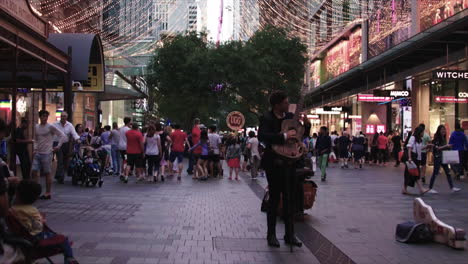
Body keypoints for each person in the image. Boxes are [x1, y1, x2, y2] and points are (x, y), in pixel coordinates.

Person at [258, 90, 302, 248]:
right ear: (277, 104)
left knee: (290, 198)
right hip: (274, 162)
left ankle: (290, 234)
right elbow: (262, 136)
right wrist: (283, 136)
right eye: (285, 102)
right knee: (274, 198)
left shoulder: (290, 118)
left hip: (290, 162)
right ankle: (271, 234)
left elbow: (299, 133)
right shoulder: (266, 118)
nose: (287, 105)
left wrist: (301, 128)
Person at [11, 180, 78, 264]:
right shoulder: (32, 211)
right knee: (64, 240)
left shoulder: (12, 210)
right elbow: (37, 227)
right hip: (36, 238)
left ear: (17, 195)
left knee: (55, 236)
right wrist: (41, 220)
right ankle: (69, 259)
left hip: (23, 238)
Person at [32, 110, 66, 199]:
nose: (45, 118)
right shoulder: (37, 127)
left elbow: (62, 135)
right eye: (43, 116)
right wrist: (35, 149)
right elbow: (35, 139)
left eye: (46, 116)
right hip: (38, 152)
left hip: (47, 153)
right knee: (34, 171)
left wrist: (58, 146)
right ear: (40, 117)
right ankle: (36, 191)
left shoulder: (50, 127)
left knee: (47, 173)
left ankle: (48, 192)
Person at [428, 125, 461, 194]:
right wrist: (446, 146)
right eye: (442, 129)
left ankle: (452, 187)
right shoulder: (437, 138)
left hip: (443, 157)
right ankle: (430, 188)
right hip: (438, 157)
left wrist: (448, 147)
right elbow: (437, 148)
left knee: (448, 172)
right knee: (435, 173)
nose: (444, 131)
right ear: (439, 130)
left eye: (444, 129)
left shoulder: (444, 138)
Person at [53, 112, 79, 184]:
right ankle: (61, 177)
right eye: (62, 116)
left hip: (66, 144)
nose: (63, 117)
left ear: (66, 117)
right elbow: (50, 132)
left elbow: (74, 134)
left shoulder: (69, 125)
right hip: (57, 143)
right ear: (60, 117)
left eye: (64, 116)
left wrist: (78, 139)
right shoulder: (55, 124)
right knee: (60, 160)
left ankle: (58, 175)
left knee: (65, 161)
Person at [403, 126, 429, 195]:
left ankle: (404, 189)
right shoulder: (413, 138)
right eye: (423, 131)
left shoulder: (419, 139)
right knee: (416, 174)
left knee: (410, 174)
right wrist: (409, 157)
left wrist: (426, 147)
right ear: (419, 132)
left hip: (417, 158)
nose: (423, 133)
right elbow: (409, 148)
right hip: (413, 158)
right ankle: (421, 189)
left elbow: (419, 149)